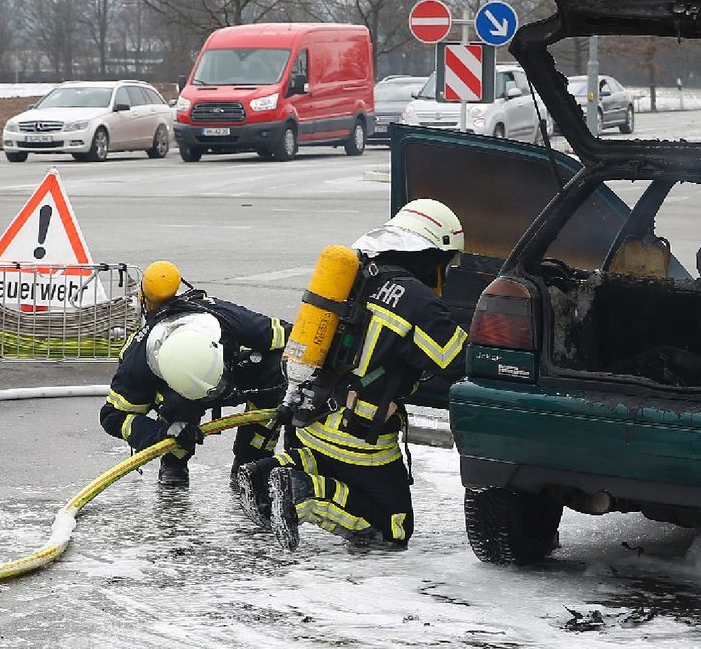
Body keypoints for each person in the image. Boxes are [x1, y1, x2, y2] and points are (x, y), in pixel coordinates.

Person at [245, 199, 467, 551]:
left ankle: (272, 471)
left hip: (312, 417)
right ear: (431, 255)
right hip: (359, 437)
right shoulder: (417, 301)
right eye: (447, 263)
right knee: (393, 527)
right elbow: (458, 360)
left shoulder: (355, 274)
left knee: (327, 463)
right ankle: (303, 496)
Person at [100, 261, 286, 488]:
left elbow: (289, 336)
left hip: (234, 378)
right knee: (178, 405)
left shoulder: (223, 317)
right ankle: (174, 461)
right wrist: (162, 433)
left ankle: (251, 460)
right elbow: (113, 417)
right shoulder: (138, 360)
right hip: (180, 400)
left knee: (277, 368)